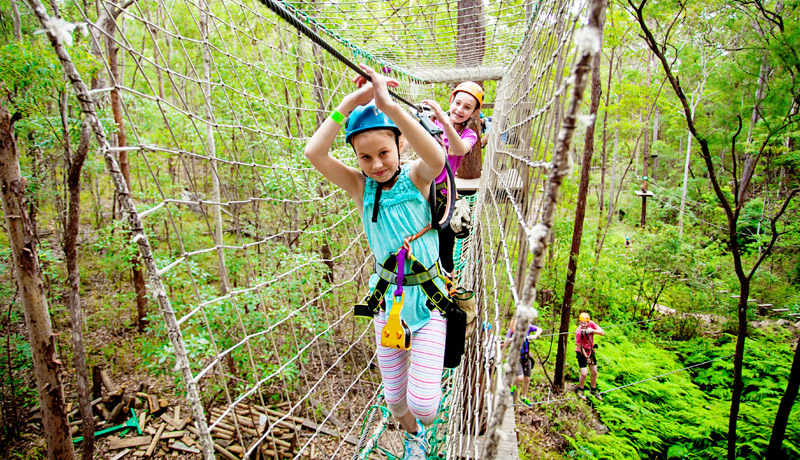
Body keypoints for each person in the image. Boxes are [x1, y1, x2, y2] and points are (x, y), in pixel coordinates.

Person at [304, 64, 447, 460]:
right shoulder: (360, 187)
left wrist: (388, 105)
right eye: (365, 157)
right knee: (395, 400)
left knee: (425, 404)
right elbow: (314, 152)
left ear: (400, 147)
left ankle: (422, 427)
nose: (376, 164)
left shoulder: (417, 177)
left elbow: (435, 158)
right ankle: (412, 436)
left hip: (431, 300)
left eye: (383, 152)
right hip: (389, 304)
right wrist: (351, 104)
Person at [421, 82, 483, 275]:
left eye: (467, 107)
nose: (460, 110)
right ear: (451, 100)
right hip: (420, 190)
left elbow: (458, 149)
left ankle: (447, 292)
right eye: (457, 103)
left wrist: (444, 119)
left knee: (445, 253)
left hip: (443, 198)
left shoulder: (469, 134)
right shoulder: (431, 122)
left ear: (474, 112)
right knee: (420, 247)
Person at [502, 318, 542, 408]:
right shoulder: (511, 331)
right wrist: (512, 339)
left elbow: (539, 329)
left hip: (526, 356)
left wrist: (535, 336)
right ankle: (511, 386)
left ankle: (524, 397)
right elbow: (505, 342)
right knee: (520, 377)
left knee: (527, 379)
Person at [575, 312, 605, 400]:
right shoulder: (578, 332)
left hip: (591, 350)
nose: (583, 325)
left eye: (585, 323)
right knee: (584, 373)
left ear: (588, 322)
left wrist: (592, 331)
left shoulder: (591, 324)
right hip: (581, 352)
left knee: (594, 372)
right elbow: (580, 347)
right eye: (581, 323)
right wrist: (586, 357)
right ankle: (580, 390)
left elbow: (602, 332)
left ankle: (593, 389)